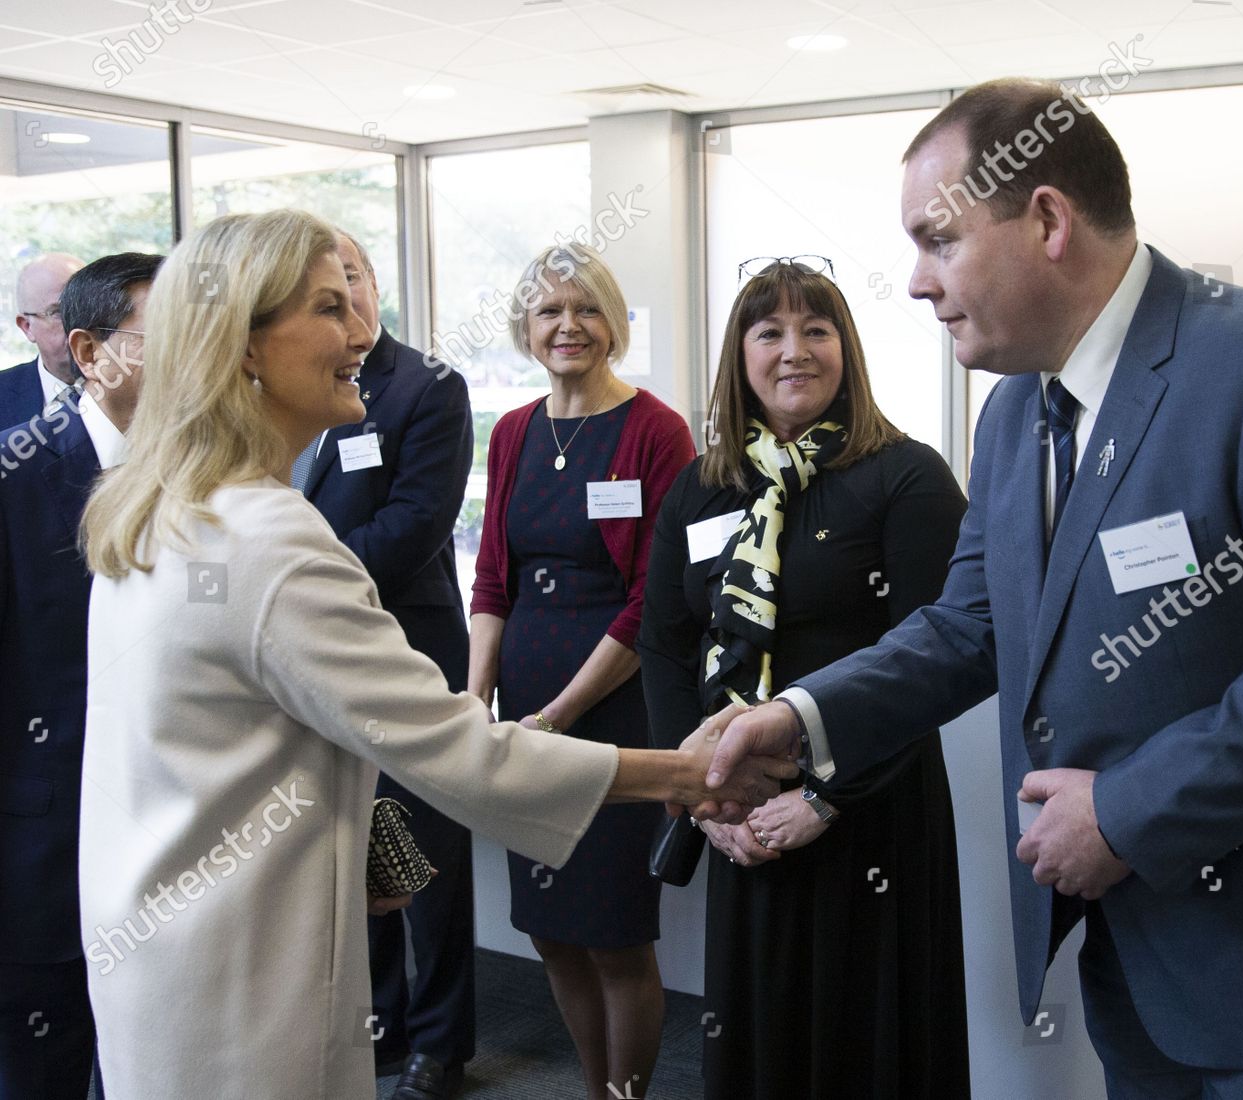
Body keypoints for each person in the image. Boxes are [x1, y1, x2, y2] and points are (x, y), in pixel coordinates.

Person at [704, 78, 1243, 1099]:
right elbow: (972, 625)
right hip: (1138, 945)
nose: (913, 282)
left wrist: (1123, 810)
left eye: (937, 239)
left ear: (1045, 221)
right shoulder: (1011, 416)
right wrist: (801, 716)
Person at [74, 210, 793, 1100]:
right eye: (330, 309)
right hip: (244, 977)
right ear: (246, 346)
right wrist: (687, 776)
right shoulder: (269, 541)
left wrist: (376, 839)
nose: (361, 332)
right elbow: (456, 747)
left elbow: (272, 728)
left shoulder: (159, 509)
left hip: (166, 945)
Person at [638, 259, 970, 1099]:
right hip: (739, 811)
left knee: (870, 1042)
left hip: (869, 812)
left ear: (846, 349)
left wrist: (824, 798)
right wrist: (701, 792)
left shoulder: (908, 476)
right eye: (770, 332)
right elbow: (667, 643)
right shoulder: (704, 485)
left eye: (816, 330)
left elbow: (937, 655)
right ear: (739, 355)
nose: (795, 350)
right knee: (763, 1038)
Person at [467, 241, 695, 1100]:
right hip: (525, 709)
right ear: (526, 329)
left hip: (609, 712)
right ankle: (592, 1087)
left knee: (612, 933)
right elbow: (493, 577)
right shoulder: (515, 432)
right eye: (549, 311)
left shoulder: (654, 430)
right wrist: (475, 696)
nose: (569, 326)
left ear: (614, 324)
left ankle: (622, 1095)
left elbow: (652, 604)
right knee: (550, 930)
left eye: (586, 308)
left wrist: (559, 713)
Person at [289, 228, 478, 1100]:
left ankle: (441, 1043)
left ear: (375, 282)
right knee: (350, 845)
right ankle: (382, 1023)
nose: (344, 301)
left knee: (422, 856)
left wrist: (293, 579)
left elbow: (414, 525)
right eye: (322, 290)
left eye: (352, 281)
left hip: (406, 649)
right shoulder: (285, 386)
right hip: (311, 660)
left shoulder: (427, 388)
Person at [0, 250, 162, 1100]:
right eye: (160, 336)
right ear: (89, 351)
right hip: (40, 852)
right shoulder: (13, 477)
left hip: (174, 853)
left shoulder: (205, 480)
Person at [1, 253, 86, 428]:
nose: (78, 322)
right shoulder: (4, 394)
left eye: (85, 306)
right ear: (27, 326)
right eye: (57, 312)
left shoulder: (131, 387)